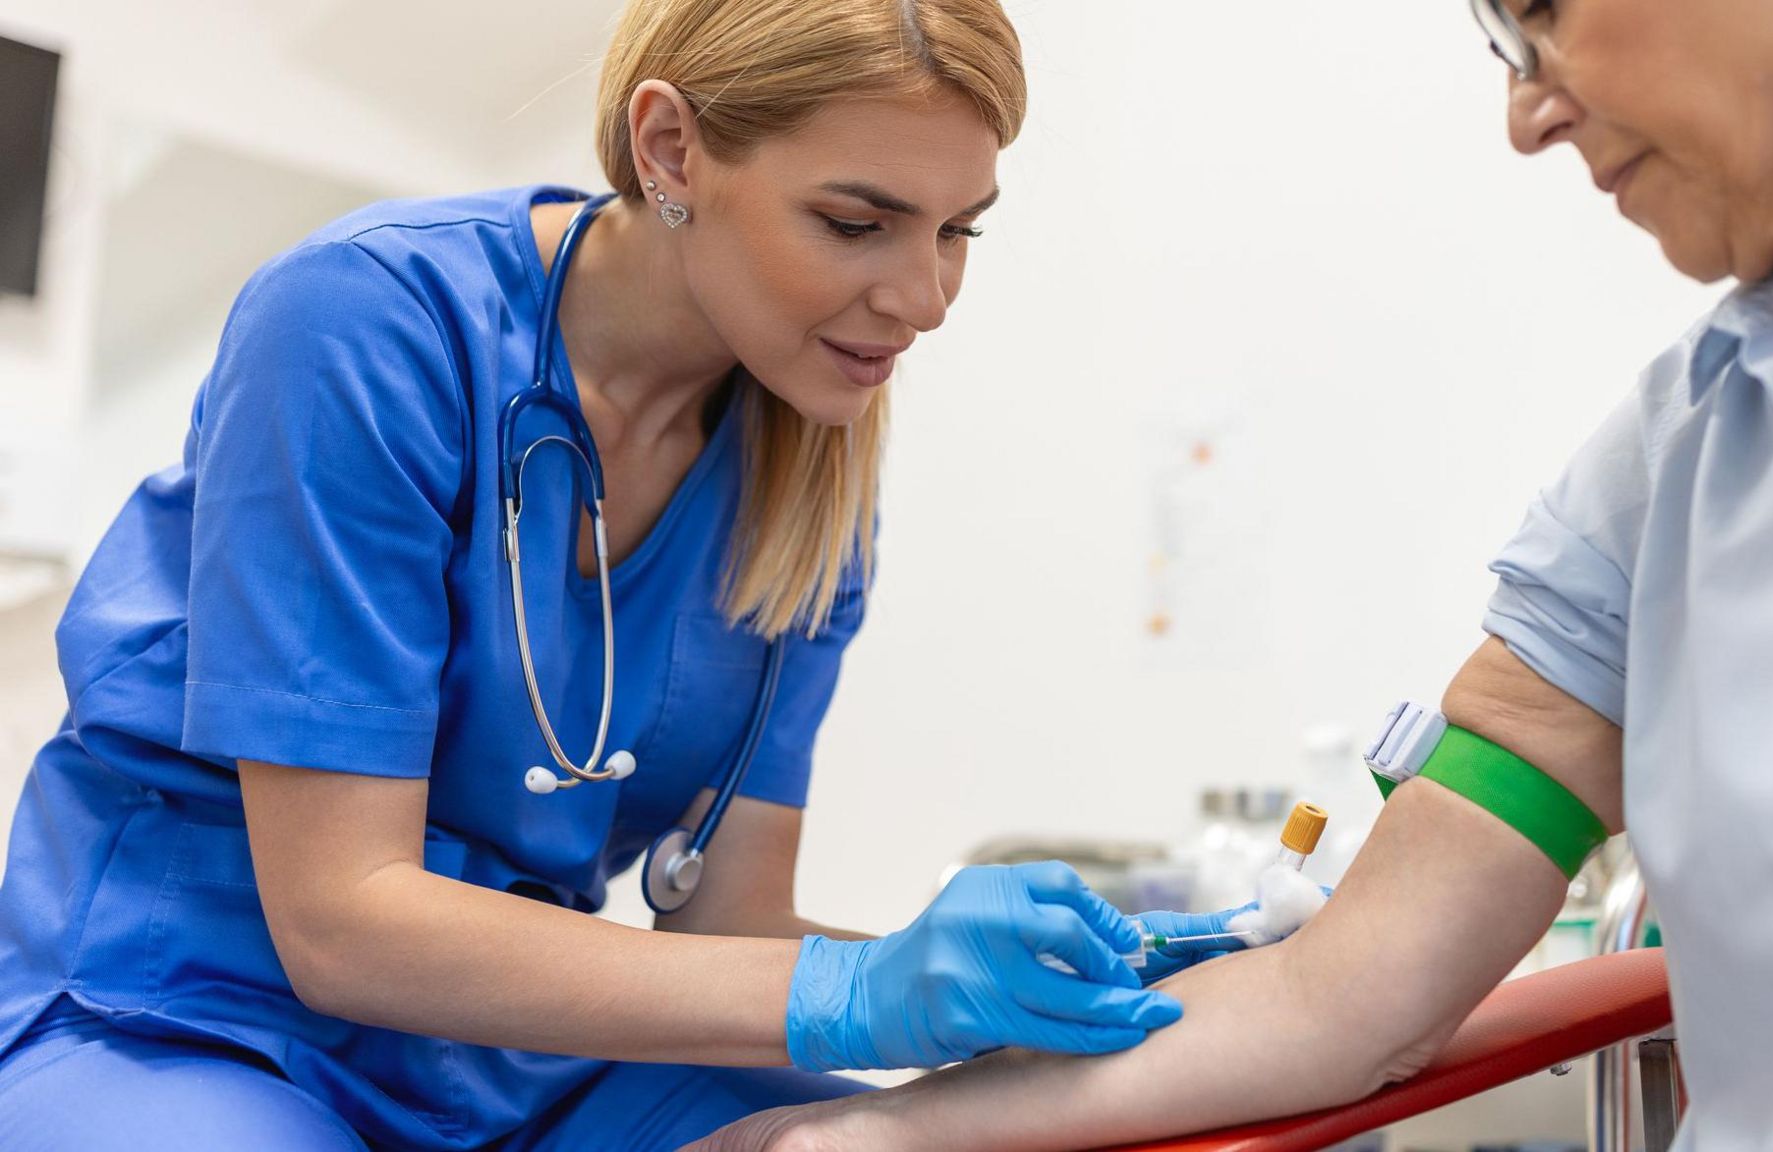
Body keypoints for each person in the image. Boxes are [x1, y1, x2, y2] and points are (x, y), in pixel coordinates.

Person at [679, 0, 1773, 1148]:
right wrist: (863, 1130)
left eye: (1539, 17)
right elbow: (1347, 993)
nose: (1527, 114)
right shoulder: (1680, 462)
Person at [0, 1, 1245, 1147]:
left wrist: (1014, 995)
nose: (922, 298)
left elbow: (734, 924)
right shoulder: (365, 325)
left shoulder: (806, 481)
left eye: (958, 231)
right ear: (668, 149)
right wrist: (867, 994)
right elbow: (344, 920)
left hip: (519, 1053)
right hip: (183, 1017)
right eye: (855, 223)